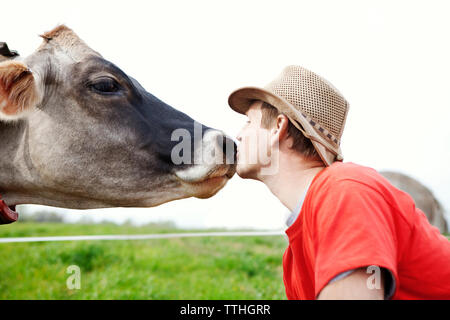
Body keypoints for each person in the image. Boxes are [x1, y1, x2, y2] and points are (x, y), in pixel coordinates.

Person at [227, 65, 450, 300]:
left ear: (278, 128)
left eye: (249, 122)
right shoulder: (293, 258)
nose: (239, 135)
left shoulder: (344, 190)